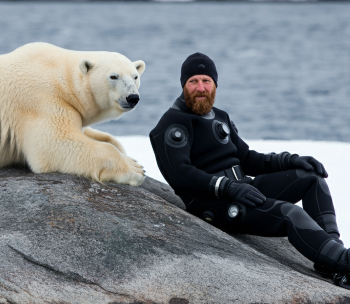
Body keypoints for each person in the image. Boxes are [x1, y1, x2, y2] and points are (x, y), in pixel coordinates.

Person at [150, 52, 350, 289]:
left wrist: (292, 160)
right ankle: (343, 262)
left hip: (243, 188)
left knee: (311, 179)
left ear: (215, 85)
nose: (200, 87)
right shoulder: (172, 123)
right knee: (289, 213)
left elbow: (247, 158)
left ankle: (332, 256)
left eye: (206, 81)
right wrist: (228, 187)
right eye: (193, 81)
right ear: (184, 85)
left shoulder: (220, 117)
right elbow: (180, 174)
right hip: (215, 204)